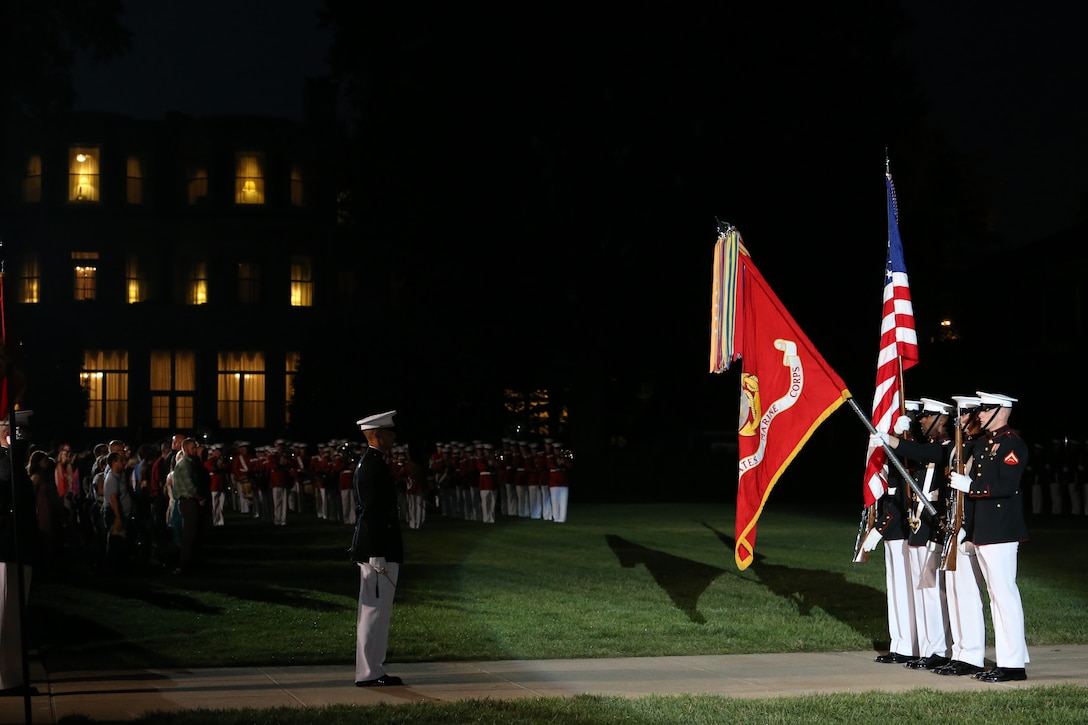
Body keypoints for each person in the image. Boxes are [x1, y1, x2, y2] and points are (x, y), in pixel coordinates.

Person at [948, 391, 1030, 682]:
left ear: (1002, 411)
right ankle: (1010, 658)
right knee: (997, 596)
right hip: (984, 530)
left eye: (986, 410)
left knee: (1003, 595)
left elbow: (1006, 485)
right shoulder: (985, 443)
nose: (980, 415)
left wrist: (972, 486)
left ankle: (1013, 665)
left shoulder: (1012, 445)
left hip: (1001, 531)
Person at [871, 398, 952, 671]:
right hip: (915, 526)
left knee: (931, 592)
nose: (921, 421)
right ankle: (918, 647)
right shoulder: (924, 449)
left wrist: (895, 442)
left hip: (930, 527)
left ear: (942, 419)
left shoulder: (943, 447)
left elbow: (926, 458)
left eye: (926, 416)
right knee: (915, 591)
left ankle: (935, 648)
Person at [933, 395, 988, 677]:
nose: (961, 419)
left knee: (967, 592)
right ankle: (960, 651)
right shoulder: (961, 445)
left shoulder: (981, 446)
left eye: (966, 414)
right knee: (954, 591)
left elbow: (980, 488)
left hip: (969, 525)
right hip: (954, 522)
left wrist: (968, 527)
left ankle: (973, 653)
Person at [349, 409, 404, 687]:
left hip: (378, 546)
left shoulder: (374, 463)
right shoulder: (372, 466)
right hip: (377, 548)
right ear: (376, 434)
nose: (394, 436)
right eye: (389, 431)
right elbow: (370, 512)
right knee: (374, 611)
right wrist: (377, 553)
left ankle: (373, 669)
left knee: (377, 612)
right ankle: (370, 672)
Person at [863, 399, 920, 664]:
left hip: (908, 527)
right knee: (897, 588)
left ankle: (915, 645)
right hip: (895, 527)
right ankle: (901, 644)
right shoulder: (904, 451)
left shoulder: (919, 452)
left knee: (913, 590)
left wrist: (880, 526)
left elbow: (904, 495)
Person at [0, 415, 41, 695]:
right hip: (7, 547)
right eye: (20, 438)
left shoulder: (9, 462)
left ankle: (10, 677)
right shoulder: (7, 463)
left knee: (12, 616)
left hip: (14, 547)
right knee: (8, 617)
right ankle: (7, 680)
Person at [171, 438, 205, 575]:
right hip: (188, 501)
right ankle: (184, 565)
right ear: (185, 449)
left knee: (192, 534)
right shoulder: (185, 464)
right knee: (189, 535)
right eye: (192, 448)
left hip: (189, 501)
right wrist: (200, 497)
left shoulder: (189, 463)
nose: (195, 450)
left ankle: (189, 563)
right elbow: (190, 486)